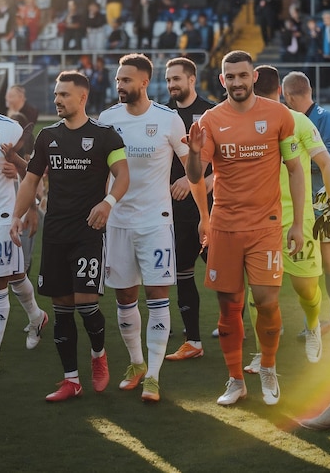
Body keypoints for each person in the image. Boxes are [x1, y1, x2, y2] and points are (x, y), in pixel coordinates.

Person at [185, 50, 305, 406]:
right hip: (224, 226)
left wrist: (297, 224)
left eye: (242, 75)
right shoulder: (210, 119)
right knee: (229, 307)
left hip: (266, 225)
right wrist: (193, 153)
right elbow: (195, 176)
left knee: (267, 302)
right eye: (230, 77)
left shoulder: (279, 114)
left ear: (254, 77)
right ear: (222, 81)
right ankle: (235, 379)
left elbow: (296, 170)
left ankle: (267, 367)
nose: (237, 82)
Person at [10, 71, 129, 402]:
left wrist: (108, 202)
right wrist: (17, 216)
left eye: (64, 95)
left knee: (86, 303)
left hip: (88, 231)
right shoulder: (48, 136)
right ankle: (71, 380)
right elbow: (32, 180)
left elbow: (122, 175)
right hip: (56, 233)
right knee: (62, 307)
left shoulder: (105, 136)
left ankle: (98, 354)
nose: (57, 100)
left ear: (82, 98)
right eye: (56, 94)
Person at [99, 53, 189, 402]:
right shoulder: (108, 119)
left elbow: (191, 167)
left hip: (156, 222)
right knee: (124, 297)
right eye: (118, 79)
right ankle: (136, 364)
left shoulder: (168, 120)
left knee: (157, 296)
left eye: (126, 80)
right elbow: (100, 171)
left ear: (144, 82)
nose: (119, 85)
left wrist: (195, 176)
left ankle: (153, 375)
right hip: (118, 221)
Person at [243, 65, 330, 374]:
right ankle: (261, 353)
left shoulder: (298, 122)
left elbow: (326, 163)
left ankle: (312, 325)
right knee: (260, 295)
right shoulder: (242, 124)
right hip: (258, 223)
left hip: (298, 219)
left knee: (306, 289)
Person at [0, 74, 47, 374]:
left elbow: (30, 171)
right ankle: (36, 316)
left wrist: (30, 207)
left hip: (1, 217)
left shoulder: (8, 128)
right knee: (15, 275)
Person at [164, 57, 214, 361]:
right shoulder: (162, 114)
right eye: (168, 80)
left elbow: (222, 166)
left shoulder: (210, 113)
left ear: (191, 79)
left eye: (177, 79)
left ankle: (235, 325)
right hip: (173, 211)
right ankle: (192, 339)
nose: (172, 85)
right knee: (182, 273)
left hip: (207, 210)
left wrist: (193, 181)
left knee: (225, 272)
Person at [281, 71, 330, 332]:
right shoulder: (295, 120)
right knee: (315, 266)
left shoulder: (325, 119)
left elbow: (327, 163)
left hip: (323, 203)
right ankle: (318, 321)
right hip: (308, 205)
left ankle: (325, 320)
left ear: (288, 95)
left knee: (327, 262)